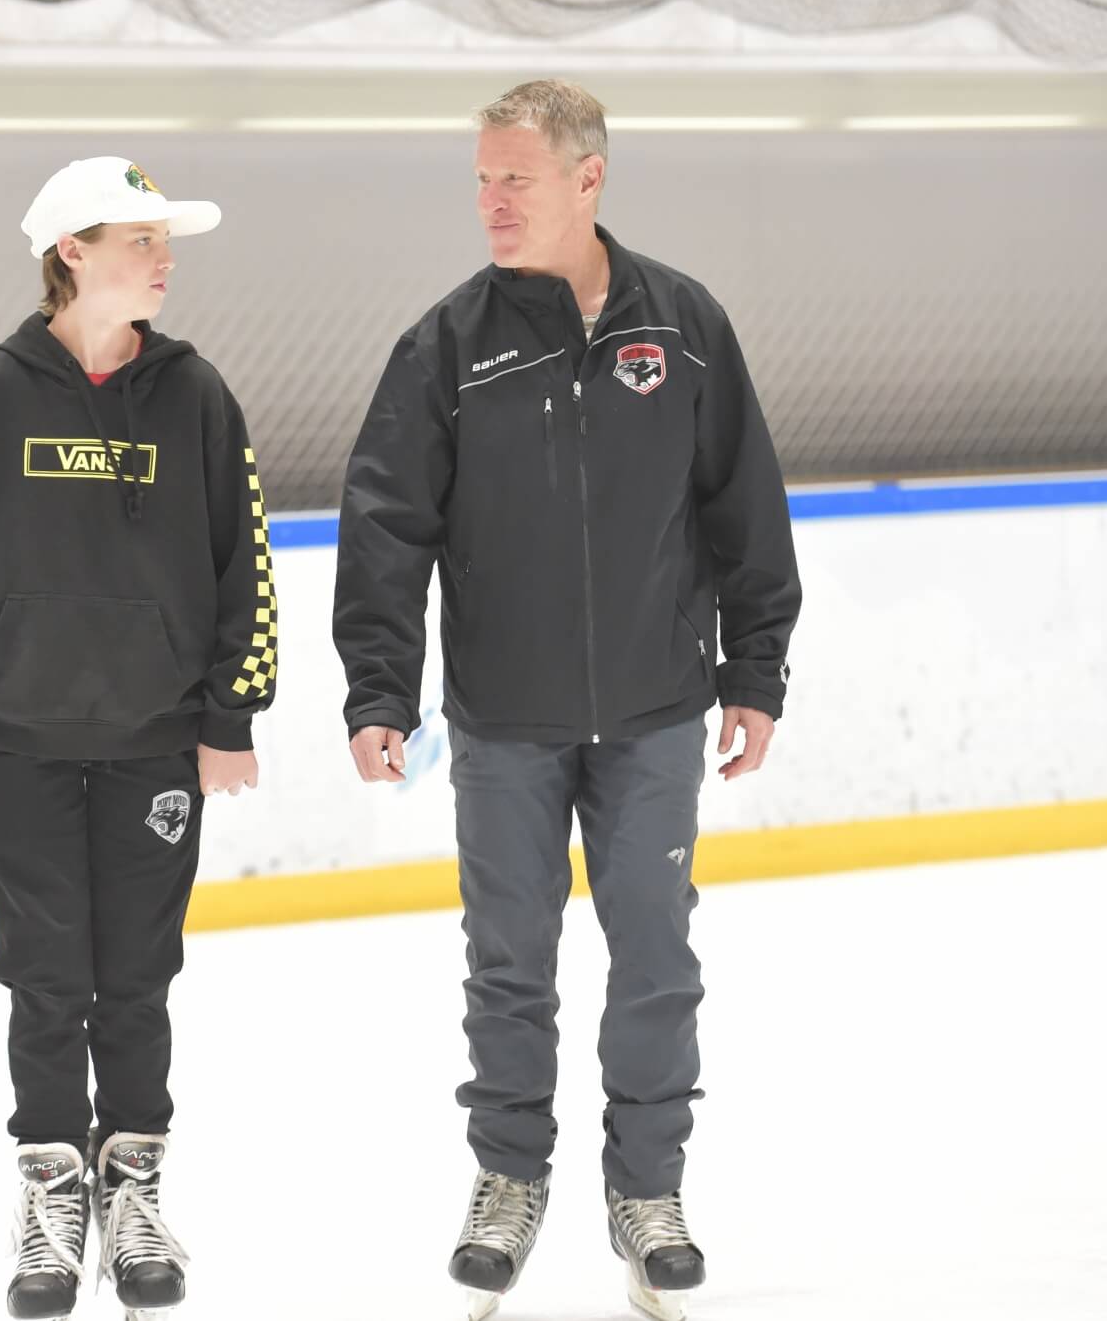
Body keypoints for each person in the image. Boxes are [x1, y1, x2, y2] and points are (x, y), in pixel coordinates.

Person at [332, 80, 802, 1321]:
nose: (490, 201)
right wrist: (378, 689)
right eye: (480, 178)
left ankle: (646, 1193)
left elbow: (743, 505)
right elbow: (383, 527)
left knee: (654, 958)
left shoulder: (683, 326)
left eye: (515, 180)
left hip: (653, 710)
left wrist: (753, 668)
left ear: (586, 180)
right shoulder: (444, 345)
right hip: (503, 720)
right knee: (507, 966)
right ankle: (506, 1179)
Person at [0, 155, 276, 1320]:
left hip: (159, 742)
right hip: (17, 741)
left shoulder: (197, 395)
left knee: (138, 977)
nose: (163, 260)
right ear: (72, 252)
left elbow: (242, 561)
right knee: (45, 977)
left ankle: (138, 1183)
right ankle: (54, 1191)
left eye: (165, 242)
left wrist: (229, 714)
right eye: (140, 240)